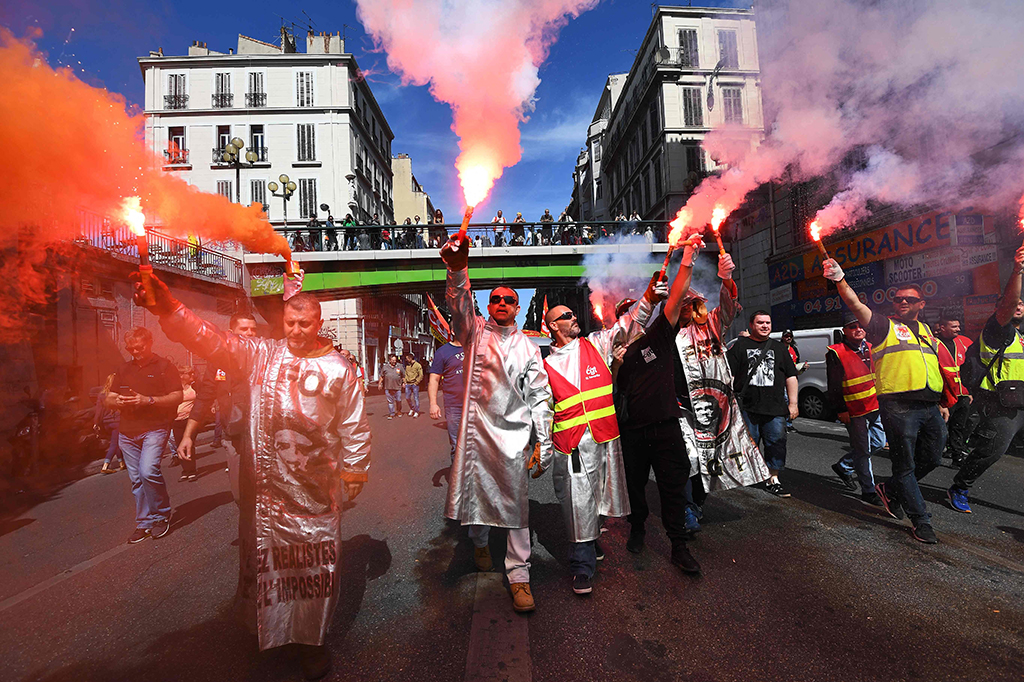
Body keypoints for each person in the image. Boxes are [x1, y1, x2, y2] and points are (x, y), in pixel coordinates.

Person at [132, 273, 370, 680]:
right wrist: (168, 308)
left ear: (319, 324)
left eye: (305, 324)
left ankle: (311, 642)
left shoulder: (339, 368)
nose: (296, 331)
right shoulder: (261, 354)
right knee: (269, 563)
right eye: (290, 323)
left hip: (315, 490)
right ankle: (272, 632)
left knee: (314, 569)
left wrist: (355, 468)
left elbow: (355, 424)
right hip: (265, 491)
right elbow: (211, 340)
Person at [440, 232, 552, 613]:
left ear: (517, 308)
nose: (501, 303)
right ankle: (480, 542)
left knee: (517, 506)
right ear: (488, 306)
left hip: (514, 438)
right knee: (478, 495)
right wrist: (458, 269)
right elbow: (458, 306)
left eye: (508, 300)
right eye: (495, 299)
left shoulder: (528, 348)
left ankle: (519, 574)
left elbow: (539, 396)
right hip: (477, 436)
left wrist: (543, 441)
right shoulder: (474, 333)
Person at [543, 273, 665, 595]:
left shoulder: (597, 344)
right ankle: (581, 566)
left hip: (606, 439)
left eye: (573, 314)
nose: (574, 317)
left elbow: (628, 324)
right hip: (572, 447)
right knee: (578, 502)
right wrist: (540, 446)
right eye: (566, 315)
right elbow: (541, 411)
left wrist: (650, 299)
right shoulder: (545, 367)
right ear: (553, 325)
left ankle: (592, 538)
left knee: (598, 500)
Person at [828, 259, 952, 544]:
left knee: (934, 458)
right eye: (898, 299)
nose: (902, 302)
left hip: (930, 406)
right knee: (905, 465)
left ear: (922, 304)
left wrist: (943, 402)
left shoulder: (926, 331)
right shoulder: (884, 326)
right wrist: (840, 280)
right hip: (898, 407)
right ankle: (921, 519)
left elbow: (932, 368)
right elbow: (856, 306)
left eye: (910, 299)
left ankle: (891, 489)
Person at [616, 236, 703, 575]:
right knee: (635, 486)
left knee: (673, 486)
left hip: (665, 426)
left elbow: (677, 295)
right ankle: (637, 526)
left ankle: (678, 546)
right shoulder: (613, 350)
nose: (635, 319)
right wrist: (616, 365)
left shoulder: (659, 337)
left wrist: (688, 257)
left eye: (638, 313)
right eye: (627, 315)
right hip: (632, 431)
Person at [673, 251, 769, 535]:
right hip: (680, 407)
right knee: (687, 457)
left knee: (709, 458)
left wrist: (726, 280)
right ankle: (686, 508)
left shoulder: (712, 325)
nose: (688, 309)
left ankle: (697, 502)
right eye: (682, 304)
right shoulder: (666, 331)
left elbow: (728, 307)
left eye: (692, 304)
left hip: (713, 407)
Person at [948, 246, 1024, 514]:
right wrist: (1017, 270)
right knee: (993, 450)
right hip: (1001, 406)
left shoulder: (1021, 337)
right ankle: (960, 486)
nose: (1018, 306)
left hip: (1022, 402)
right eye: (1014, 303)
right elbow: (1008, 305)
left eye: (1022, 303)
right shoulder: (996, 330)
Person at [105, 327, 183, 544]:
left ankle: (161, 515)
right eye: (131, 348)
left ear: (149, 343)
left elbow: (177, 396)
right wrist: (117, 401)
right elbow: (108, 398)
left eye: (139, 347)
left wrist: (148, 400)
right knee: (136, 479)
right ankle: (144, 522)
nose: (135, 352)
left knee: (148, 471)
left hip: (155, 428)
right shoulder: (123, 368)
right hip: (127, 432)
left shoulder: (164, 366)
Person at [177, 311, 259, 501]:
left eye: (253, 330)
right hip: (234, 435)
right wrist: (188, 436)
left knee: (267, 494)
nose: (249, 333)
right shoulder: (218, 363)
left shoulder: (266, 359)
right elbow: (204, 398)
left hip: (263, 436)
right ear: (231, 332)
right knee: (240, 493)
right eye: (244, 329)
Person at [726, 311, 799, 498]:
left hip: (775, 408)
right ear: (752, 325)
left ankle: (773, 479)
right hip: (747, 407)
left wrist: (793, 403)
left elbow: (791, 376)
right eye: (760, 322)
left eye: (768, 322)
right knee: (748, 444)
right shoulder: (740, 346)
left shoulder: (779, 348)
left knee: (776, 443)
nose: (765, 326)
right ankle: (748, 474)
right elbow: (729, 375)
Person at [825, 312, 885, 507]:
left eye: (861, 326)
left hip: (875, 406)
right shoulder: (836, 352)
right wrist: (841, 410)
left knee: (878, 442)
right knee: (863, 451)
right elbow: (834, 385)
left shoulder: (872, 347)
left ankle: (844, 466)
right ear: (844, 331)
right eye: (852, 326)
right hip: (854, 410)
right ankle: (868, 490)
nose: (858, 329)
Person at [934, 309, 975, 466]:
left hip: (962, 393)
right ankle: (932, 455)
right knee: (940, 427)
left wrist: (969, 391)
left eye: (958, 326)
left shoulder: (964, 342)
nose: (958, 329)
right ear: (942, 327)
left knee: (959, 426)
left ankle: (957, 456)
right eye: (954, 327)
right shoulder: (933, 344)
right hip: (944, 394)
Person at [428, 339, 465, 461]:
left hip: (475, 405)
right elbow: (434, 379)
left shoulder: (475, 348)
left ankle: (472, 473)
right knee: (457, 445)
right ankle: (457, 472)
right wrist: (433, 404)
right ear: (453, 331)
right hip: (454, 406)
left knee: (477, 445)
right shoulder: (443, 352)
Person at [169, 366, 198, 482]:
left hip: (189, 420)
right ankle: (185, 470)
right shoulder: (174, 388)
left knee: (189, 444)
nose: (192, 375)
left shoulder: (195, 386)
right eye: (189, 373)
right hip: (176, 420)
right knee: (178, 445)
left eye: (192, 373)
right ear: (181, 375)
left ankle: (192, 471)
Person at [94, 373, 124, 474]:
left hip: (106, 423)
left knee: (115, 442)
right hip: (117, 422)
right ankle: (105, 466)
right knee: (114, 444)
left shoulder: (101, 395)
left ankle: (121, 463)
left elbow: (98, 411)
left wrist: (96, 423)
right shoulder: (118, 394)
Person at [378, 354, 405, 420]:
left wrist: (404, 383)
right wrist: (379, 384)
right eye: (393, 360)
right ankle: (391, 413)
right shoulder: (385, 367)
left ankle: (399, 411)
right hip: (388, 387)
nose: (394, 362)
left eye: (395, 360)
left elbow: (403, 376)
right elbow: (382, 376)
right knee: (390, 401)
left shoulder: (400, 366)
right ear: (389, 360)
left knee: (398, 400)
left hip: (397, 386)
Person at [403, 352, 423, 417]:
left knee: (416, 398)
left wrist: (416, 382)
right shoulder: (407, 366)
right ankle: (412, 408)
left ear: (410, 358)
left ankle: (416, 411)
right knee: (407, 397)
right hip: (408, 384)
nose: (406, 360)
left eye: (407, 358)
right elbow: (406, 374)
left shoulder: (418, 365)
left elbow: (421, 375)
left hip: (414, 384)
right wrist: (405, 381)